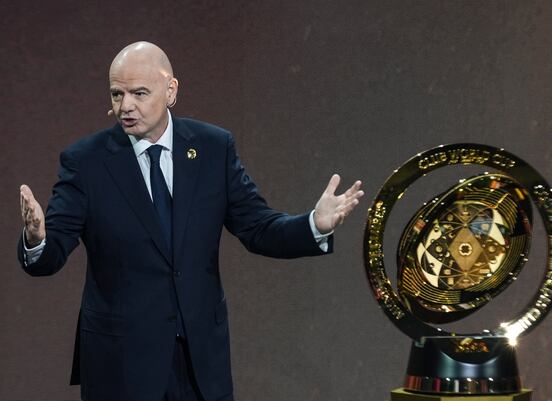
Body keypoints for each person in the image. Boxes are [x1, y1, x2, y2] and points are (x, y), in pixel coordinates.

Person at [18, 41, 363, 401]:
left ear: (171, 91)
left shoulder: (213, 148)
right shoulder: (86, 162)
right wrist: (36, 236)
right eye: (117, 94)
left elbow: (258, 227)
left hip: (200, 364)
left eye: (139, 93)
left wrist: (314, 225)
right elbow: (50, 253)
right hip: (122, 365)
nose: (126, 106)